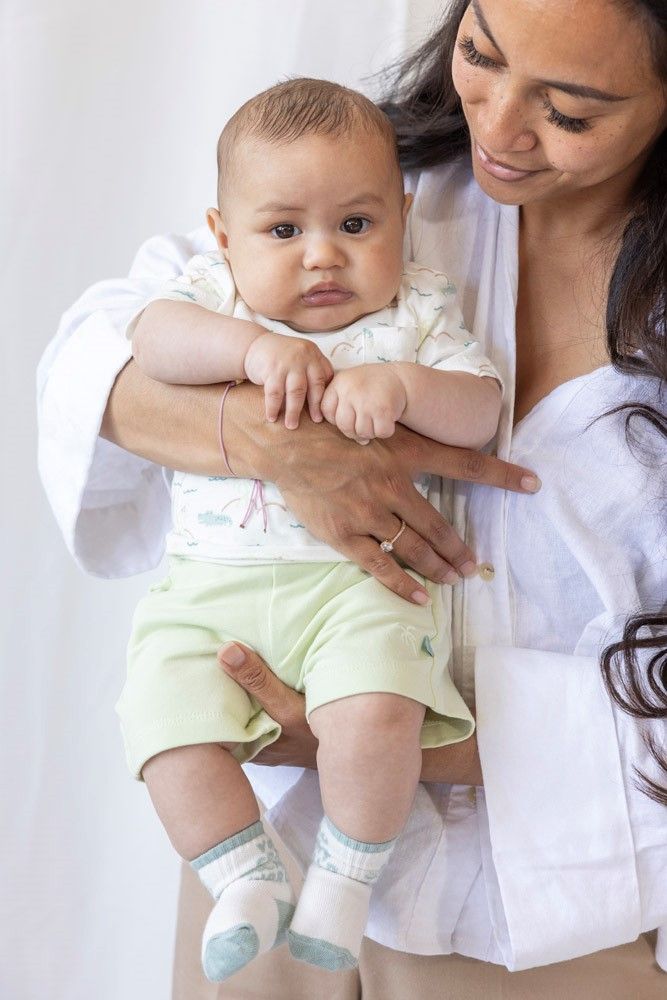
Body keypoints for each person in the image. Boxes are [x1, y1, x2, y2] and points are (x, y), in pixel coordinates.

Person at [37, 0, 667, 997]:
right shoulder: (363, 182)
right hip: (264, 856)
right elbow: (99, 350)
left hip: (555, 899)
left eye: (567, 109)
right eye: (480, 55)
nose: (496, 127)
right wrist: (267, 438)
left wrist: (395, 731)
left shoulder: (399, 264)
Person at [119, 78, 502, 982]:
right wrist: (251, 350)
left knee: (376, 717)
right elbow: (148, 339)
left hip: (357, 588)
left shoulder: (415, 310)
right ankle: (241, 876)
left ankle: (343, 878)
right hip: (206, 588)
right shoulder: (215, 298)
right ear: (223, 235)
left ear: (402, 216)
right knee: (164, 731)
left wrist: (403, 387)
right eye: (284, 230)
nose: (323, 256)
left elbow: (482, 410)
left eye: (356, 225)